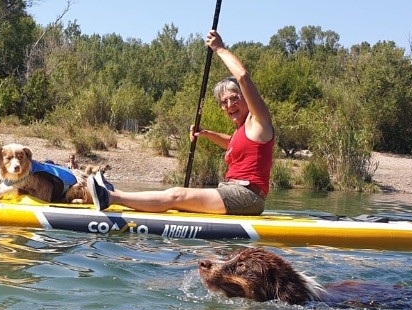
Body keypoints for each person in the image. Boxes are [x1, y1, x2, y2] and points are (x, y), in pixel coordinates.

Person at [88, 29, 274, 215]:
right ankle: (115, 193)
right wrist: (207, 134)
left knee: (177, 195)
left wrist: (220, 48)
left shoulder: (259, 120)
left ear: (246, 98)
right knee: (178, 197)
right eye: (224, 102)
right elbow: (232, 144)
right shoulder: (242, 132)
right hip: (232, 192)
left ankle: (110, 197)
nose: (229, 104)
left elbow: (242, 77)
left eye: (234, 98)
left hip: (247, 196)